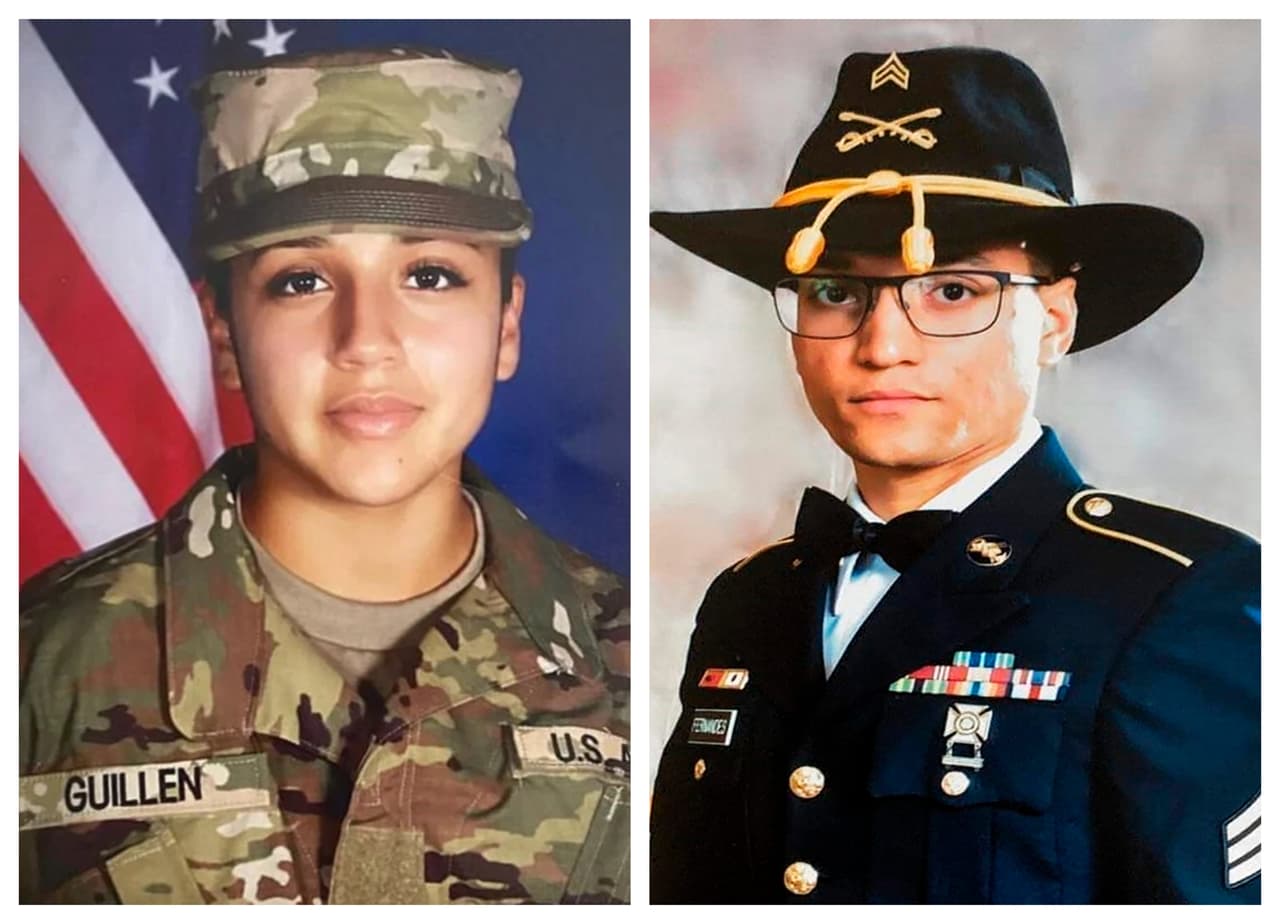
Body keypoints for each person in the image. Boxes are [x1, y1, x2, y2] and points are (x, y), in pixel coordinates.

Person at [20, 47, 630, 905]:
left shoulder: (639, 663)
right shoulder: (35, 670)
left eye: (430, 275)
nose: (366, 340)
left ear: (505, 326)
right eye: (301, 280)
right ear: (224, 333)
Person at [649, 45, 1258, 904]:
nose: (882, 345)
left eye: (953, 292)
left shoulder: (1174, 598)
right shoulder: (751, 600)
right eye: (836, 291)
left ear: (1053, 321)